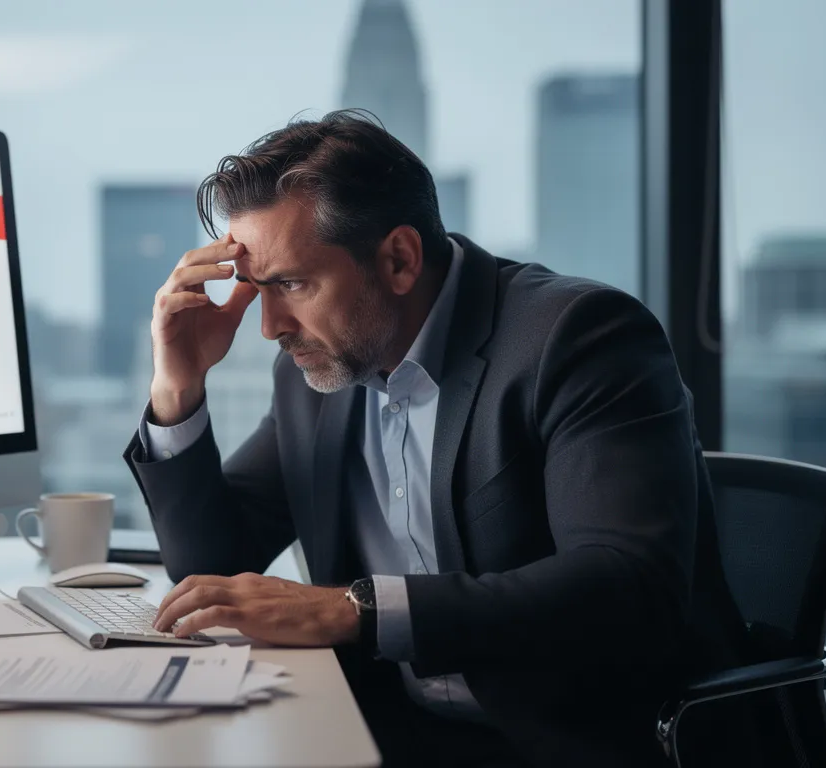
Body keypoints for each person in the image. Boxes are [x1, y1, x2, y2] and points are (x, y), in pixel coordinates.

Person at [122, 110, 763, 767]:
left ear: (399, 259)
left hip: (575, 742)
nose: (270, 328)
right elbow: (214, 570)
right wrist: (178, 387)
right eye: (259, 290)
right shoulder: (317, 370)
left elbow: (627, 588)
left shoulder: (580, 339)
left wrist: (357, 612)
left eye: (291, 284)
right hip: (392, 734)